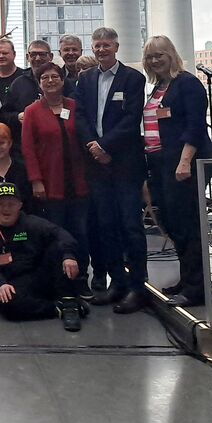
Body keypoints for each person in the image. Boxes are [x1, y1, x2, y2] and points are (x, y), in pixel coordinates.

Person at [74, 27, 148, 314]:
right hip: (97, 167)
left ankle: (138, 287)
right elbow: (80, 115)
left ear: (116, 46)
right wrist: (93, 146)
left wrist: (105, 146)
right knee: (106, 226)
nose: (102, 49)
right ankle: (117, 282)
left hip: (125, 165)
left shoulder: (133, 78)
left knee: (130, 225)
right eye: (97, 45)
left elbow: (131, 120)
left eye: (107, 45)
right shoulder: (86, 79)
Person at [142, 35, 212, 308]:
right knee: (172, 224)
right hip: (160, 163)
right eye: (150, 56)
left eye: (159, 54)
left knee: (188, 225)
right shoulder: (159, 86)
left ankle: (196, 289)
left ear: (171, 54)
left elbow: (195, 126)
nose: (154, 60)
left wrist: (184, 162)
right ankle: (187, 280)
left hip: (184, 165)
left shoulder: (187, 84)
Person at [0, 181, 87, 330]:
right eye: (1, 204)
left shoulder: (31, 223)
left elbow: (61, 233)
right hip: (11, 281)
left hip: (39, 275)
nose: (6, 208)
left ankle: (69, 300)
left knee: (58, 246)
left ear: (20, 205)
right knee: (7, 305)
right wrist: (0, 283)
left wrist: (68, 256)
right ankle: (59, 308)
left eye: (11, 204)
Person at [21, 62, 91, 298]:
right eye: (45, 78)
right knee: (55, 232)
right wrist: (36, 180)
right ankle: (59, 280)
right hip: (50, 184)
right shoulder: (32, 111)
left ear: (63, 80)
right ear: (39, 84)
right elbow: (28, 149)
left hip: (78, 182)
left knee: (80, 232)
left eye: (55, 77)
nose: (50, 81)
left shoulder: (75, 106)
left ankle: (81, 279)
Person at [0, 37, 37, 149]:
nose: (1, 56)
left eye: (5, 53)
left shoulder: (26, 77)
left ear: (14, 54)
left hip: (20, 138)